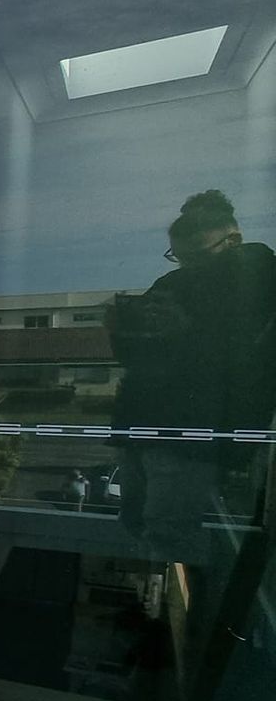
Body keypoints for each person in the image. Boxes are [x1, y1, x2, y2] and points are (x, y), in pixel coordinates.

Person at [107, 191, 276, 664]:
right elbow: (141, 357)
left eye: (197, 256)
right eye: (179, 257)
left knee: (170, 532)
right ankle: (157, 622)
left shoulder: (259, 279)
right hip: (146, 425)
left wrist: (181, 334)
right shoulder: (174, 281)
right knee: (139, 521)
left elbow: (233, 363)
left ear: (234, 239)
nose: (187, 266)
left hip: (192, 434)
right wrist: (125, 328)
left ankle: (182, 639)